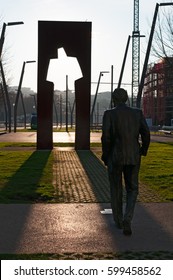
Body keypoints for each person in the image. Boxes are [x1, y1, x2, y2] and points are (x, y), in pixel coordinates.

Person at [101, 88, 150, 235]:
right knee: (132, 188)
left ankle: (119, 220)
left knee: (116, 188)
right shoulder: (137, 113)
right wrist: (143, 150)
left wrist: (106, 155)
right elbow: (146, 134)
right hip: (134, 156)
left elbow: (106, 138)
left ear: (113, 99)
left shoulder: (109, 114)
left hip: (115, 157)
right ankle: (128, 218)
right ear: (127, 98)